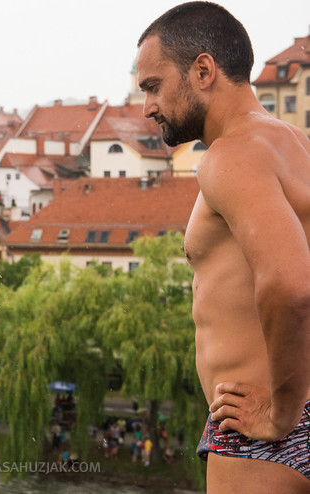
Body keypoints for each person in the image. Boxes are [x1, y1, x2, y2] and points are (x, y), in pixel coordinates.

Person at [136, 2, 310, 492]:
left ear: (204, 70)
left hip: (261, 423)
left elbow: (290, 284)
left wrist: (281, 414)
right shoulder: (295, 144)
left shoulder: (229, 156)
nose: (148, 106)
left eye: (153, 86)